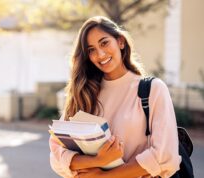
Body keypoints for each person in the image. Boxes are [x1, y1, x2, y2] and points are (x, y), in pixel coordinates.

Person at [49, 16, 181, 178]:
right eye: (91, 50)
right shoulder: (84, 93)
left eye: (104, 43)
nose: (100, 54)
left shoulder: (152, 90)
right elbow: (56, 155)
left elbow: (164, 157)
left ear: (120, 42)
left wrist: (103, 177)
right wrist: (97, 160)